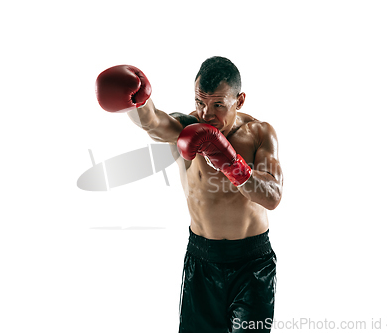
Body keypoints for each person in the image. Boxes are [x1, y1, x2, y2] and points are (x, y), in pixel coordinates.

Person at [95, 56, 283, 332]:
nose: (206, 114)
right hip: (202, 260)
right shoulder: (187, 127)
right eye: (200, 102)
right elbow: (155, 123)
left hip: (252, 264)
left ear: (240, 100)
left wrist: (232, 164)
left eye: (218, 104)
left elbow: (273, 196)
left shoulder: (259, 133)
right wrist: (139, 101)